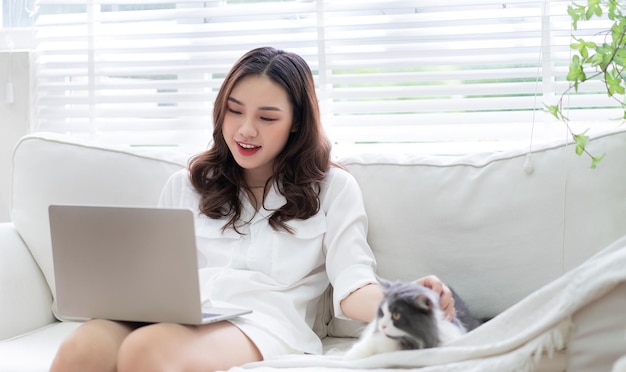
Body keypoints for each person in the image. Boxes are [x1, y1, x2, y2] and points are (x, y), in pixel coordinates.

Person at [50, 46, 455, 372]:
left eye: (267, 117)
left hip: (264, 323)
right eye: (234, 109)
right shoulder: (186, 185)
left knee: (147, 351)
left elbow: (353, 286)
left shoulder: (332, 188)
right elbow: (155, 281)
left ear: (296, 123)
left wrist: (412, 298)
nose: (245, 130)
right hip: (183, 313)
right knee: (81, 349)